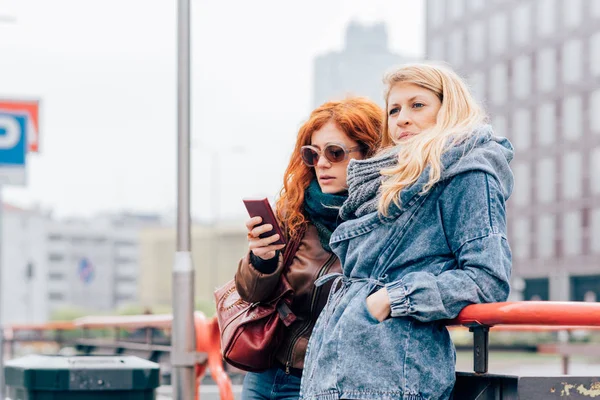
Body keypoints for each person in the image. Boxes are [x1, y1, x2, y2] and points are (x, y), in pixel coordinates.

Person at [300, 63, 514, 400]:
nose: (401, 118)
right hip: (338, 371)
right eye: (394, 110)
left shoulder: (469, 173)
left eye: (417, 105)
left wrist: (393, 298)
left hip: (396, 374)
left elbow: (487, 279)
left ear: (449, 108)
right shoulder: (390, 178)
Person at [235, 97, 384, 400]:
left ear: (369, 153)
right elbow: (251, 295)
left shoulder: (385, 220)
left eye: (335, 152)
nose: (323, 164)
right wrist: (261, 260)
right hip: (266, 372)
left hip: (327, 379)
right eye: (312, 154)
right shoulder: (295, 212)